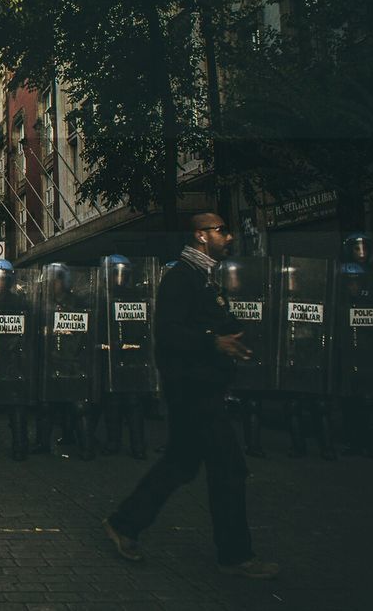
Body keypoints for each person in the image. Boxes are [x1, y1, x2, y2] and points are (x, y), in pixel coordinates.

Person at [103, 213, 279, 578]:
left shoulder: (204, 279)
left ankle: (125, 523)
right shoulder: (181, 278)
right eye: (221, 231)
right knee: (229, 470)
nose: (228, 237)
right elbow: (169, 335)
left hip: (200, 388)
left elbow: (210, 322)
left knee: (180, 464)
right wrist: (214, 342)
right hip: (193, 391)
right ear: (201, 235)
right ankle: (235, 555)